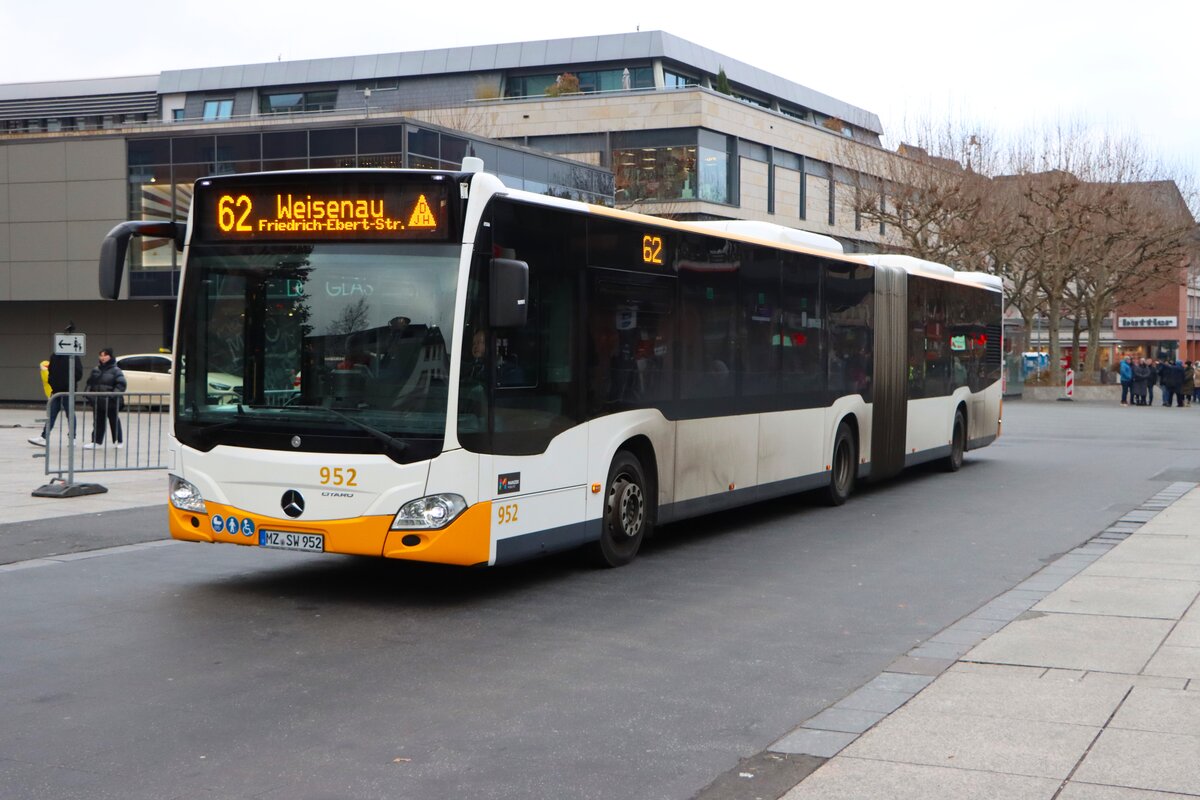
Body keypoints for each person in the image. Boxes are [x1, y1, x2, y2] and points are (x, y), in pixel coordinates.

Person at [28, 348, 84, 446]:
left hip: (68, 391)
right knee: (51, 414)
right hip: (56, 391)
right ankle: (44, 437)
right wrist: (52, 383)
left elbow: (79, 373)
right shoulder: (54, 356)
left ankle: (72, 438)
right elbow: (51, 371)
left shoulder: (73, 355)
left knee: (70, 414)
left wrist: (68, 382)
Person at [84, 347, 126, 449]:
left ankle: (118, 441)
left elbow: (121, 384)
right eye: (101, 355)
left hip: (110, 401)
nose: (103, 358)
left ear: (110, 357)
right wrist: (88, 395)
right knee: (98, 421)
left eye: (105, 355)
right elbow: (89, 383)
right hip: (97, 401)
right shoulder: (95, 370)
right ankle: (96, 442)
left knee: (114, 421)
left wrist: (112, 396)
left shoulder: (116, 370)